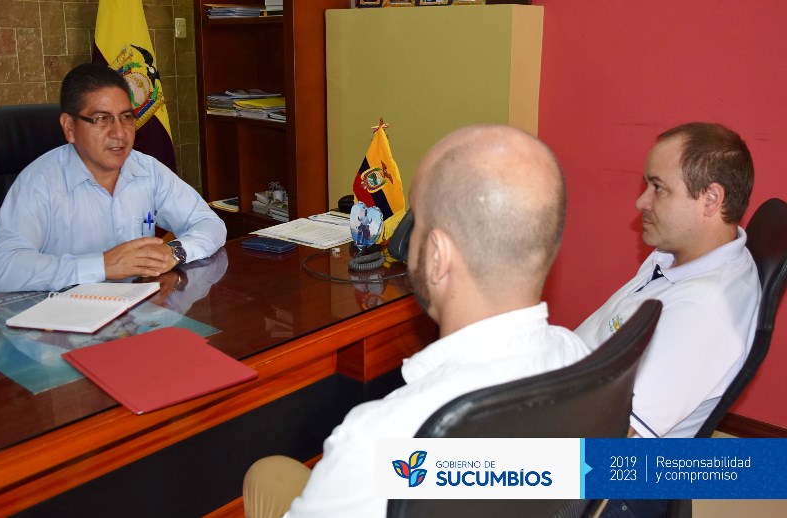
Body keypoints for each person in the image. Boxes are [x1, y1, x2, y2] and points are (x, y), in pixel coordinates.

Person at [242, 124, 591, 518]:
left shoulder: (380, 441)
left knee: (264, 475)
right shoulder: (583, 358)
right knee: (271, 474)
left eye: (416, 223)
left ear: (437, 254)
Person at [576, 122, 760, 442]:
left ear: (711, 199)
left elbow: (608, 437)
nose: (641, 201)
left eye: (658, 188)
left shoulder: (701, 314)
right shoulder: (679, 254)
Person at [0, 63, 226, 294]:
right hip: (65, 314)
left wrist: (175, 252)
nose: (120, 133)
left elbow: (210, 223)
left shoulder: (147, 170)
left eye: (126, 117)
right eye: (102, 118)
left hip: (136, 309)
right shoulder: (39, 182)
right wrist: (102, 265)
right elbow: (1, 270)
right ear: (69, 127)